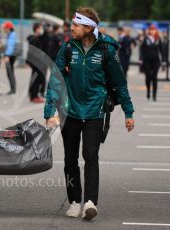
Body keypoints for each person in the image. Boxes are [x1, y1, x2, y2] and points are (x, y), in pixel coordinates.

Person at [44, 7, 135, 221]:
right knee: (70, 160)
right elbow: (55, 80)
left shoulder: (106, 50)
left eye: (75, 25)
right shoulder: (67, 48)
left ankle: (91, 203)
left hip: (95, 111)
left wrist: (128, 112)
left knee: (91, 156)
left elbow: (120, 83)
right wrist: (50, 111)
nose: (71, 28)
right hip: (71, 111)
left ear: (88, 27)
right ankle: (75, 202)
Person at [140, 24, 165, 101]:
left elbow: (162, 50)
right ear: (149, 31)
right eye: (151, 29)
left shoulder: (158, 39)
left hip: (156, 61)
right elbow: (142, 49)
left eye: (154, 29)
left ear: (156, 30)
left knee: (154, 77)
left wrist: (163, 61)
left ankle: (154, 95)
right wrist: (141, 59)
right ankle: (148, 91)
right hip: (147, 60)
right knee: (148, 77)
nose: (152, 31)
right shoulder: (146, 39)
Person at [27, 22, 47, 103]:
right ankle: (34, 96)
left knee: (36, 78)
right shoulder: (34, 39)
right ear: (37, 29)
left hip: (36, 62)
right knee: (36, 79)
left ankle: (33, 95)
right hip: (35, 62)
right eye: (40, 28)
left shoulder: (37, 38)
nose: (42, 29)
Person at [3, 21, 17, 95]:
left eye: (5, 28)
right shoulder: (10, 35)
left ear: (9, 28)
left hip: (10, 56)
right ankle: (12, 89)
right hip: (10, 55)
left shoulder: (12, 35)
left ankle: (13, 89)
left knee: (10, 72)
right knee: (9, 72)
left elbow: (10, 46)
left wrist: (7, 56)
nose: (4, 30)